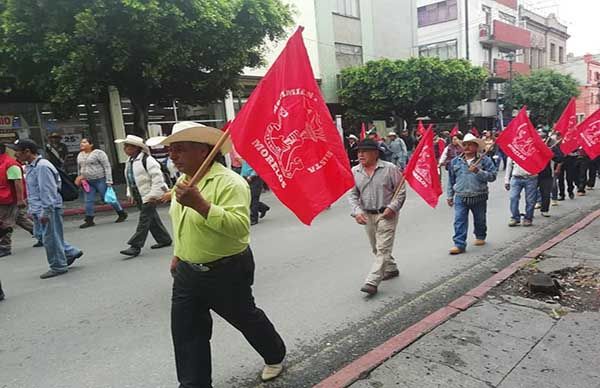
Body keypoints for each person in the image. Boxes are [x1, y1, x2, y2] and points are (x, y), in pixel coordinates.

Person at [163, 121, 286, 386]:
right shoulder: (183, 182)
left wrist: (202, 205)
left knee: (245, 317)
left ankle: (274, 354)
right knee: (187, 334)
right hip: (187, 272)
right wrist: (178, 253)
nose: (173, 156)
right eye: (171, 150)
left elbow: (240, 229)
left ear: (204, 151)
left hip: (226, 270)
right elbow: (180, 222)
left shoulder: (231, 183)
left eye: (180, 149)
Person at [10, 139, 83, 279]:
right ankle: (69, 252)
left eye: (17, 152)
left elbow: (48, 191)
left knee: (50, 239)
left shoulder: (42, 167)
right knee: (41, 235)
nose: (15, 155)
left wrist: (46, 212)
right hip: (38, 208)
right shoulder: (31, 166)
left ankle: (58, 266)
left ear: (27, 152)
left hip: (47, 209)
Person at [349, 139, 406, 295]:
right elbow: (352, 195)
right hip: (367, 214)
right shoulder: (354, 172)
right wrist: (357, 212)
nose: (360, 154)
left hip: (386, 214)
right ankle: (391, 268)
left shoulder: (390, 169)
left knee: (382, 248)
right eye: (359, 152)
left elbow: (401, 190)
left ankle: (372, 281)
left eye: (364, 151)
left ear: (375, 153)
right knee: (376, 247)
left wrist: (392, 207)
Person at [115, 135, 172, 258]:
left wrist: (153, 195)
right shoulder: (129, 161)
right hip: (139, 194)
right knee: (151, 219)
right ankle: (164, 239)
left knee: (144, 220)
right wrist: (130, 193)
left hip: (149, 194)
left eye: (127, 146)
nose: (124, 149)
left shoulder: (148, 160)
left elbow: (158, 179)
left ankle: (135, 246)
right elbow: (130, 179)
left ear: (136, 148)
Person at [447, 134, 497, 254]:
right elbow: (451, 180)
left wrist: (478, 171)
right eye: (465, 144)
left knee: (480, 219)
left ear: (476, 146)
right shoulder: (455, 161)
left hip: (479, 195)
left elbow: (492, 176)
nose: (467, 147)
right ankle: (459, 244)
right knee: (459, 220)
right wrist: (449, 195)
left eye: (470, 144)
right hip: (460, 195)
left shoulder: (485, 160)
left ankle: (480, 235)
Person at [75, 138, 127, 228]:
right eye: (81, 142)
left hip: (100, 179)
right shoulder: (80, 155)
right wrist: (79, 178)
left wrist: (109, 181)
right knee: (88, 200)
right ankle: (89, 219)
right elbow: (80, 168)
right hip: (87, 181)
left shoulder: (99, 153)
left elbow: (107, 166)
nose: (82, 144)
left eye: (84, 142)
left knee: (108, 197)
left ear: (91, 144)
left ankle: (121, 212)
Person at [0, 143, 27, 258]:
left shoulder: (10, 164)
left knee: (5, 223)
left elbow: (18, 182)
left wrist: (20, 200)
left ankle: (5, 247)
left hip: (9, 199)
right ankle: (41, 235)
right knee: (21, 219)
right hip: (3, 198)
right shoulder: (2, 163)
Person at [505, 157, 538, 227]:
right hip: (516, 177)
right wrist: (506, 180)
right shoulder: (515, 150)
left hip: (531, 178)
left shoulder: (533, 150)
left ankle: (528, 218)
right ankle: (515, 217)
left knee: (530, 200)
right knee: (513, 197)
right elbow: (509, 165)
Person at [240, 160, 270, 225]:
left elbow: (258, 168)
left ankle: (254, 218)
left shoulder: (254, 156)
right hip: (246, 178)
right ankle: (262, 207)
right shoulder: (245, 157)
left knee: (254, 198)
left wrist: (252, 176)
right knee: (248, 198)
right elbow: (244, 168)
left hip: (255, 179)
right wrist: (241, 176)